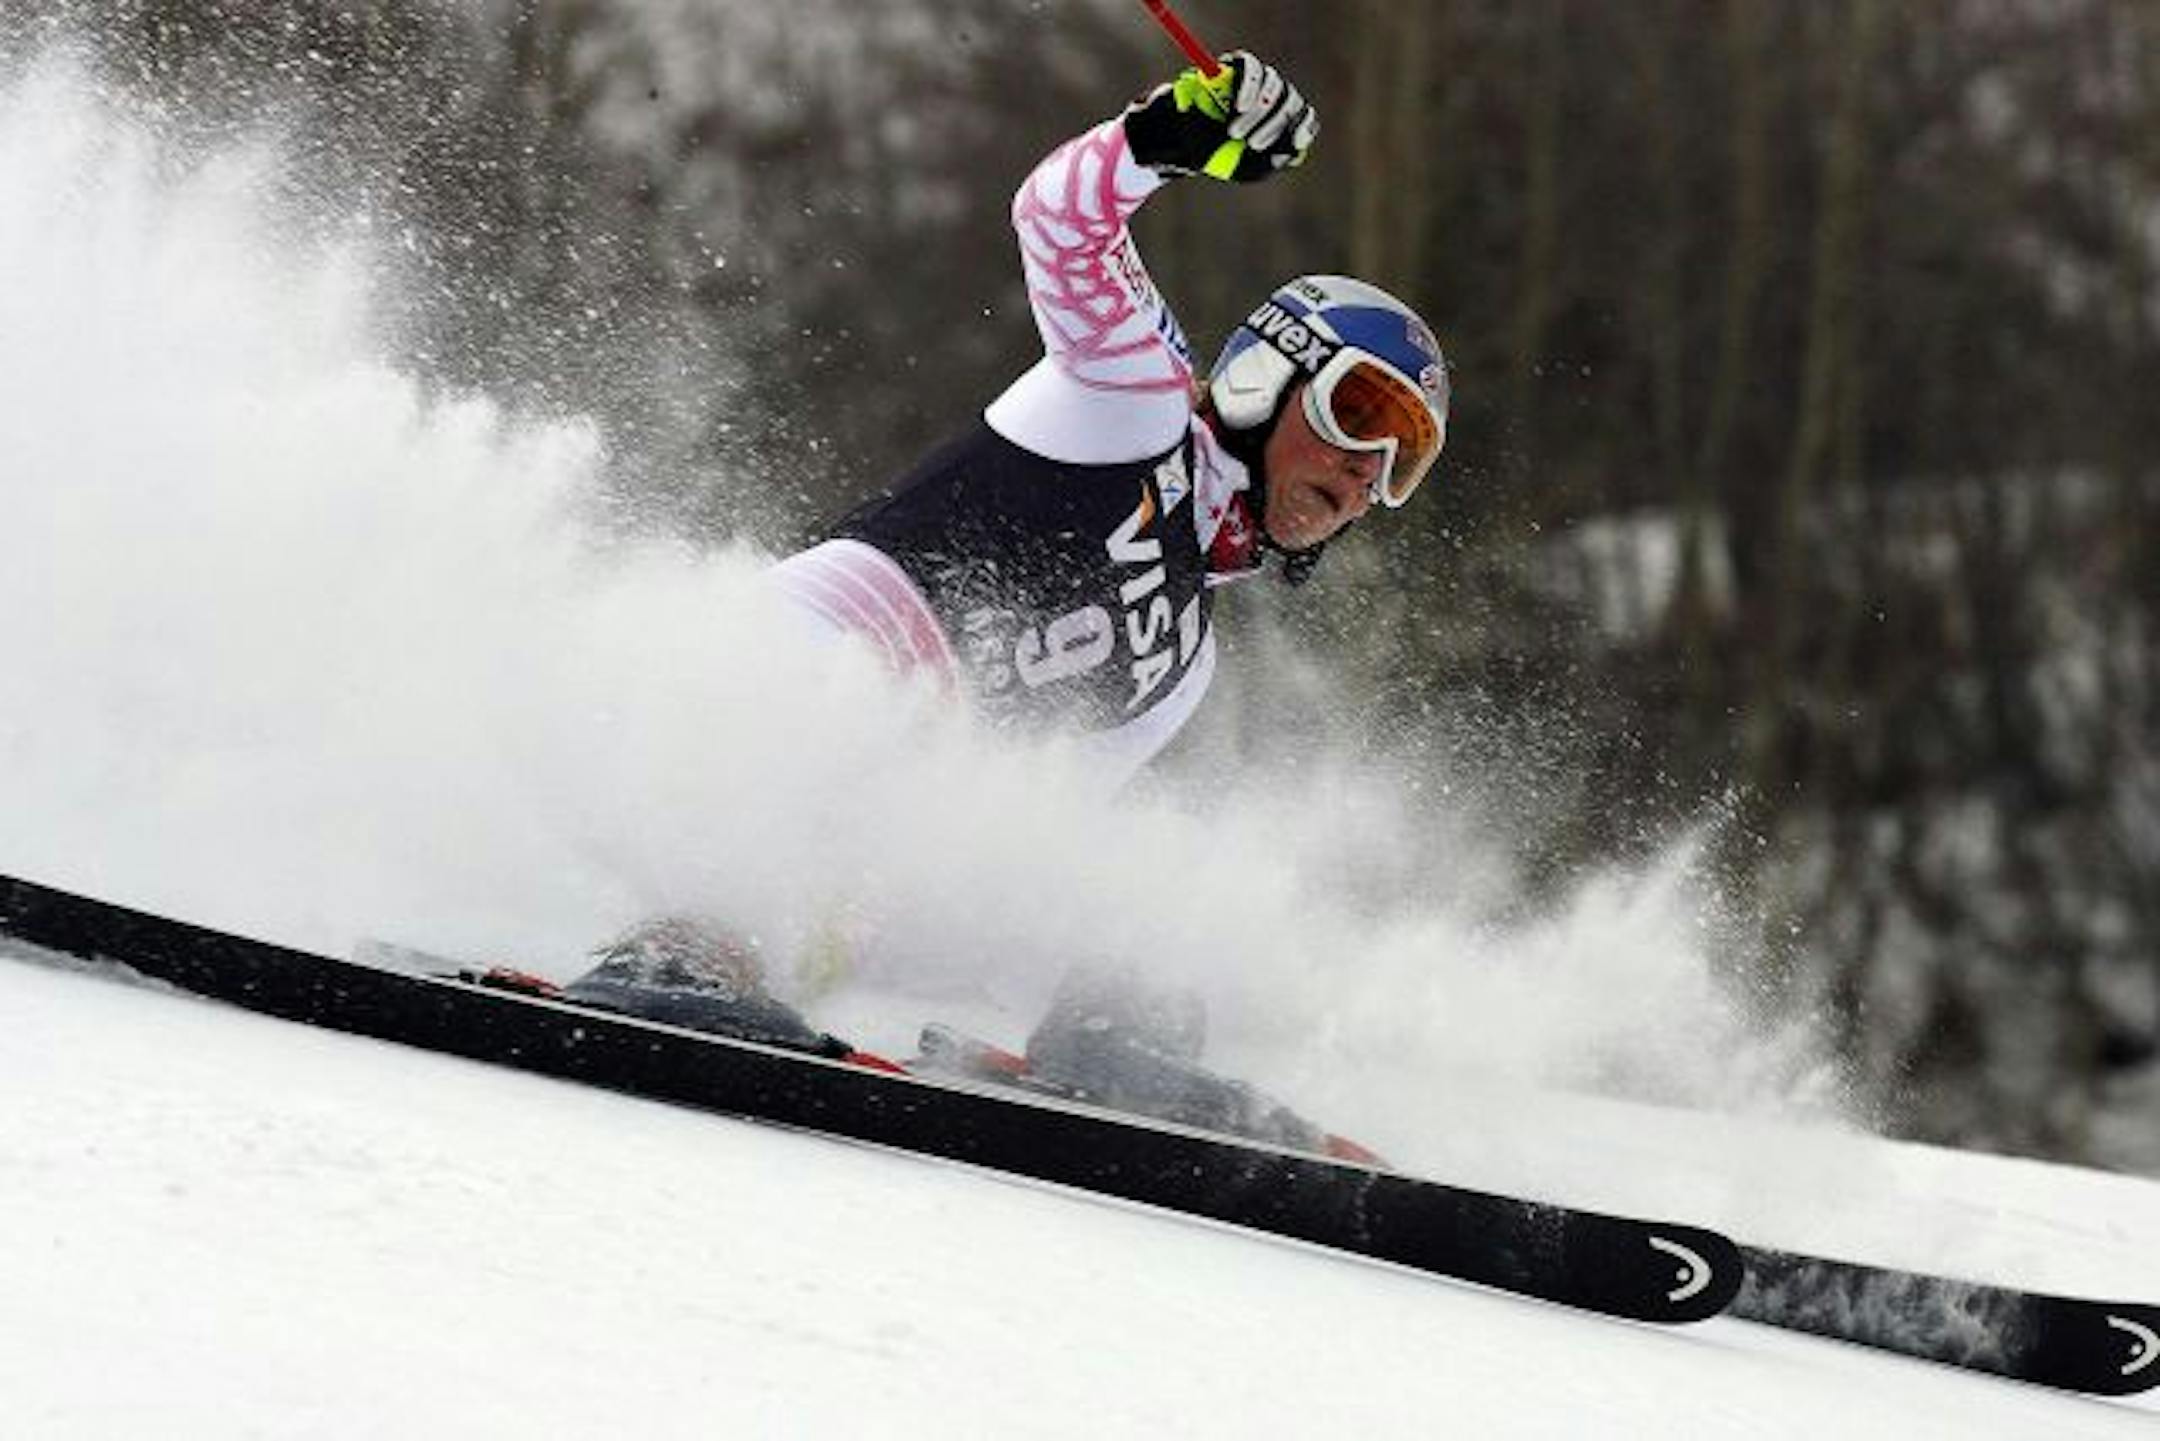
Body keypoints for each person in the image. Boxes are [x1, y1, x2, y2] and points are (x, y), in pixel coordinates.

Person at [567, 53, 1446, 1150]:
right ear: (1270, 377)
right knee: (847, 761)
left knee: (1127, 893)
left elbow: (1033, 834)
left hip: (867, 834)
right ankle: (677, 950)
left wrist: (1096, 940)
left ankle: (1107, 1036)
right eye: (1361, 412)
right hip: (770, 695)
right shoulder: (1137, 399)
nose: (1368, 469)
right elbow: (1060, 226)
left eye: (1403, 456)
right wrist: (1168, 140)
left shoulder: (1183, 669)